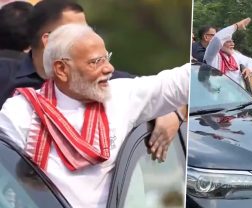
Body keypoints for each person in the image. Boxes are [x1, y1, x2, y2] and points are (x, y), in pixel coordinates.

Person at [0, 23, 189, 208]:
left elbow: (179, 82)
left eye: (107, 58)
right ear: (61, 69)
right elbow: (8, 189)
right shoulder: (20, 113)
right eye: (96, 62)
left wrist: (175, 112)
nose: (109, 68)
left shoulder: (121, 95)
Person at [0, 0, 181, 161]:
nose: (88, 37)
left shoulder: (106, 82)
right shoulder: (5, 78)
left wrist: (172, 114)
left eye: (88, 29)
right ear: (48, 40)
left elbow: (162, 91)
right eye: (77, 32)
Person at [204, 18, 252, 89]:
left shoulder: (235, 55)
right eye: (228, 42)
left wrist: (248, 69)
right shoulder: (212, 56)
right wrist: (237, 26)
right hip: (219, 95)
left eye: (232, 41)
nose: (232, 44)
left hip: (237, 95)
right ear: (221, 44)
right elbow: (218, 38)